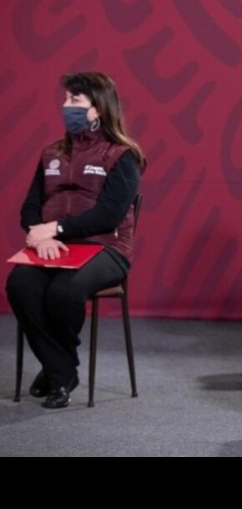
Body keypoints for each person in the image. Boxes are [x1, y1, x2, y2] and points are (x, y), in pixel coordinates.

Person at [6, 72, 145, 409]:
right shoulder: (51, 153)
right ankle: (62, 369)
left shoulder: (122, 155)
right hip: (52, 245)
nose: (66, 106)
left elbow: (108, 216)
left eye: (75, 100)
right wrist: (39, 235)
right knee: (20, 285)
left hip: (106, 248)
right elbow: (30, 206)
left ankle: (57, 372)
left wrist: (55, 229)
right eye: (66, 99)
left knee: (64, 292)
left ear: (98, 108)